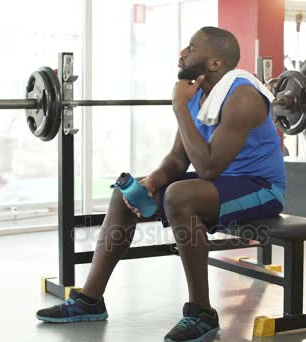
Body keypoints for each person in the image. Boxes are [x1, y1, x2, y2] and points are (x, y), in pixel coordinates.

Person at [35, 26, 286, 342]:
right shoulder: (199, 96)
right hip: (222, 183)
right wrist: (151, 182)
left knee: (181, 196)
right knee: (127, 193)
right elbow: (178, 160)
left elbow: (207, 167)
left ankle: (201, 313)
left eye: (191, 48)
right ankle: (90, 300)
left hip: (261, 188)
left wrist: (179, 107)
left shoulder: (242, 96)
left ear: (214, 64)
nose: (183, 53)